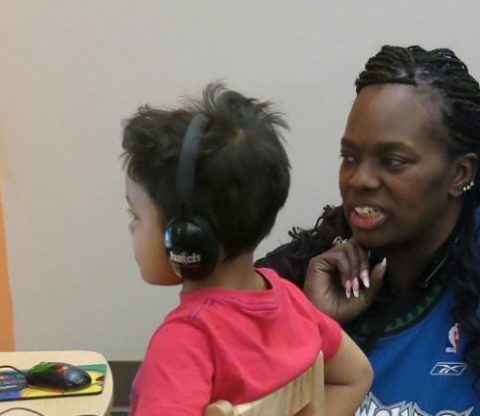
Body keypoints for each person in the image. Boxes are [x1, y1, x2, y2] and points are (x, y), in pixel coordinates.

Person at [257, 45, 480, 415]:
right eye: (349, 157)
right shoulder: (302, 276)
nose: (360, 179)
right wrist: (312, 328)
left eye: (394, 162)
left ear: (460, 174)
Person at [122, 83, 372, 415]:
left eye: (136, 214)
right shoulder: (289, 301)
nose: (131, 227)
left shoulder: (183, 344)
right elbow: (356, 375)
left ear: (187, 236)